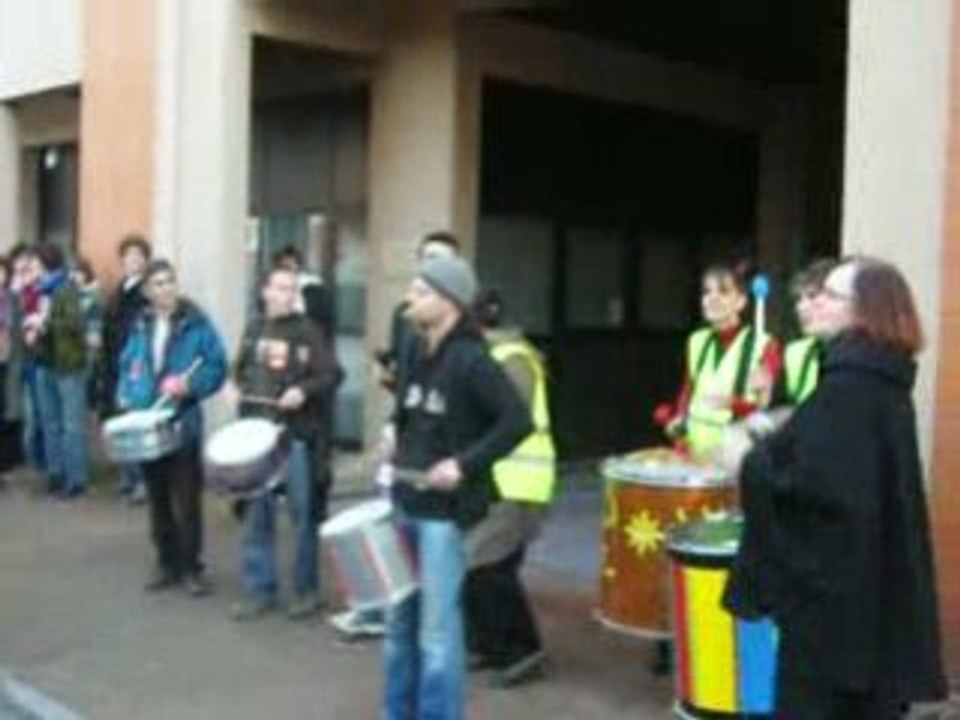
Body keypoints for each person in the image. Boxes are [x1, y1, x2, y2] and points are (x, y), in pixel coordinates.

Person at [724, 257, 946, 719]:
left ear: (864, 311)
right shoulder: (882, 380)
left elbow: (811, 491)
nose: (815, 302)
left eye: (829, 295)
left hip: (830, 622)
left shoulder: (849, 389)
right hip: (867, 607)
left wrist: (749, 459)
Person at [381, 254, 531, 720]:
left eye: (422, 291)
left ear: (449, 302)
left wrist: (464, 466)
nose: (411, 298)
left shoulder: (473, 360)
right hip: (404, 502)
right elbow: (405, 408)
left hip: (444, 516)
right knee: (398, 625)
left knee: (437, 634)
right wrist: (391, 429)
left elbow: (516, 422)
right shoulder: (412, 346)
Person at [331, 230, 461, 641]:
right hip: (408, 445)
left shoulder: (465, 338)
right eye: (424, 259)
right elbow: (407, 385)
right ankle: (382, 607)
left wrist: (461, 460)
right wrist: (392, 410)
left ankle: (435, 626)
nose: (428, 268)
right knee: (393, 531)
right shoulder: (405, 316)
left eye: (439, 259)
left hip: (443, 465)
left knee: (437, 571)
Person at [224, 264, 338, 621]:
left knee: (303, 517)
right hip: (258, 436)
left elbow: (331, 374)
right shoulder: (255, 327)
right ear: (265, 291)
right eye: (281, 288)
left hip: (295, 437)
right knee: (257, 515)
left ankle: (307, 591)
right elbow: (238, 369)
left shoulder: (308, 332)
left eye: (292, 290)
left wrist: (302, 391)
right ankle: (261, 590)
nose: (287, 295)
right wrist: (231, 387)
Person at [115, 259, 227, 596]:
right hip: (149, 421)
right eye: (158, 284)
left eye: (170, 282)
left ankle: (192, 567)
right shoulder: (141, 326)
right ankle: (166, 561)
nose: (166, 289)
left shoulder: (197, 324)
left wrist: (189, 387)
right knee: (158, 497)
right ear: (148, 292)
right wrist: (127, 392)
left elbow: (217, 366)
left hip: (182, 422)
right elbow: (129, 364)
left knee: (187, 498)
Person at [464, 289, 556, 688]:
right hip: (497, 479)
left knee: (489, 567)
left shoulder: (511, 359)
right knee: (483, 567)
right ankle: (493, 646)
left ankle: (522, 651)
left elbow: (505, 422)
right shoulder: (492, 356)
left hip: (516, 480)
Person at [655, 262, 781, 461]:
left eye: (723, 292)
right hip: (692, 449)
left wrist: (740, 402)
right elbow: (688, 390)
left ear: (740, 301)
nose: (712, 298)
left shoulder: (764, 344)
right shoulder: (697, 340)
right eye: (706, 292)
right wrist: (679, 423)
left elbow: (767, 407)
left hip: (735, 453)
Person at [30, 243, 90, 498]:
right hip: (46, 362)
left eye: (34, 263)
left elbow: (76, 324)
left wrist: (45, 322)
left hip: (68, 365)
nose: (31, 268)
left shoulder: (67, 288)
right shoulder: (41, 291)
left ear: (44, 263)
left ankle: (75, 478)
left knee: (71, 425)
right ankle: (55, 473)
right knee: (50, 423)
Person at [100, 234, 152, 503]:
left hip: (135, 364)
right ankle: (127, 476)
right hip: (113, 361)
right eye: (129, 256)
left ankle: (141, 480)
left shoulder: (146, 293)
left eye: (138, 256)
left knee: (135, 421)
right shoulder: (118, 290)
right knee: (119, 421)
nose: (133, 261)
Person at [778, 258, 837, 407]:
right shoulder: (795, 352)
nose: (800, 308)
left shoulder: (862, 354)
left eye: (812, 296)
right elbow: (782, 405)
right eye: (798, 299)